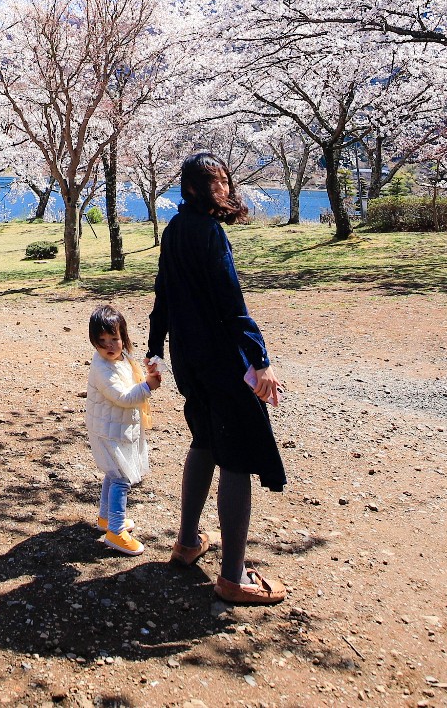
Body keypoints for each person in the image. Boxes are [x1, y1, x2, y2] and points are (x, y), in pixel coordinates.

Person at [147, 152, 289, 607]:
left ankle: (188, 541)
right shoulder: (210, 234)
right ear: (193, 189)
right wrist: (260, 360)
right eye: (217, 181)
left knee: (204, 441)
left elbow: (162, 297)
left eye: (226, 180)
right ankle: (232, 577)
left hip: (190, 363)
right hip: (223, 364)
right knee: (235, 458)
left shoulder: (173, 230)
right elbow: (233, 305)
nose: (225, 188)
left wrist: (156, 350)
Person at [85, 304, 160, 555]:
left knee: (112, 473)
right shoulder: (102, 368)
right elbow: (123, 397)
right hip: (108, 431)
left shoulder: (121, 359)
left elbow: (132, 378)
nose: (109, 345)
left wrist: (147, 373)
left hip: (113, 427)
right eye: (102, 340)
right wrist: (149, 387)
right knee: (121, 478)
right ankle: (116, 531)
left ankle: (106, 518)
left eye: (114, 338)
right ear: (94, 342)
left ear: (123, 337)